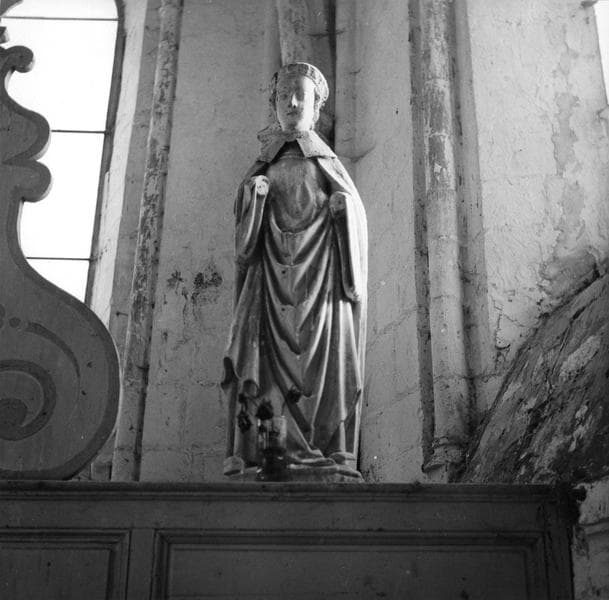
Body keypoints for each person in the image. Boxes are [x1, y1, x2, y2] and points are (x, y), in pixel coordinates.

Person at [222, 62, 367, 477]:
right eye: (284, 95)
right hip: (268, 288)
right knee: (261, 365)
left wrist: (343, 210)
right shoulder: (263, 165)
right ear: (274, 105)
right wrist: (254, 197)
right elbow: (243, 248)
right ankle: (258, 452)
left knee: (325, 368)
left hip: (320, 288)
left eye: (301, 95)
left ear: (316, 108)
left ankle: (330, 448)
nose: (292, 103)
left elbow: (355, 220)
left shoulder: (328, 165)